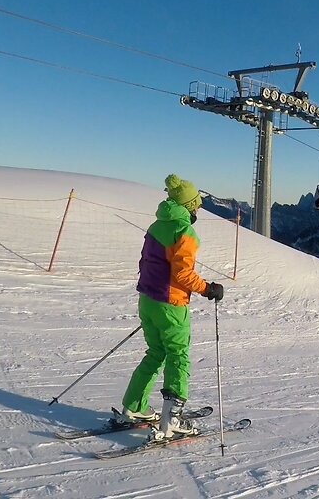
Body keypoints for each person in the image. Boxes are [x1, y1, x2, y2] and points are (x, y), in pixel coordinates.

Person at [120, 174, 225, 439]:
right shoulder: (184, 231)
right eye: (197, 205)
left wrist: (153, 295)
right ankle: (172, 420)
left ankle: (134, 407)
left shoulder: (156, 225)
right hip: (171, 303)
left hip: (148, 301)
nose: (198, 209)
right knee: (178, 357)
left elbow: (146, 262)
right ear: (189, 206)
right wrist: (208, 289)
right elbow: (182, 274)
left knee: (155, 353)